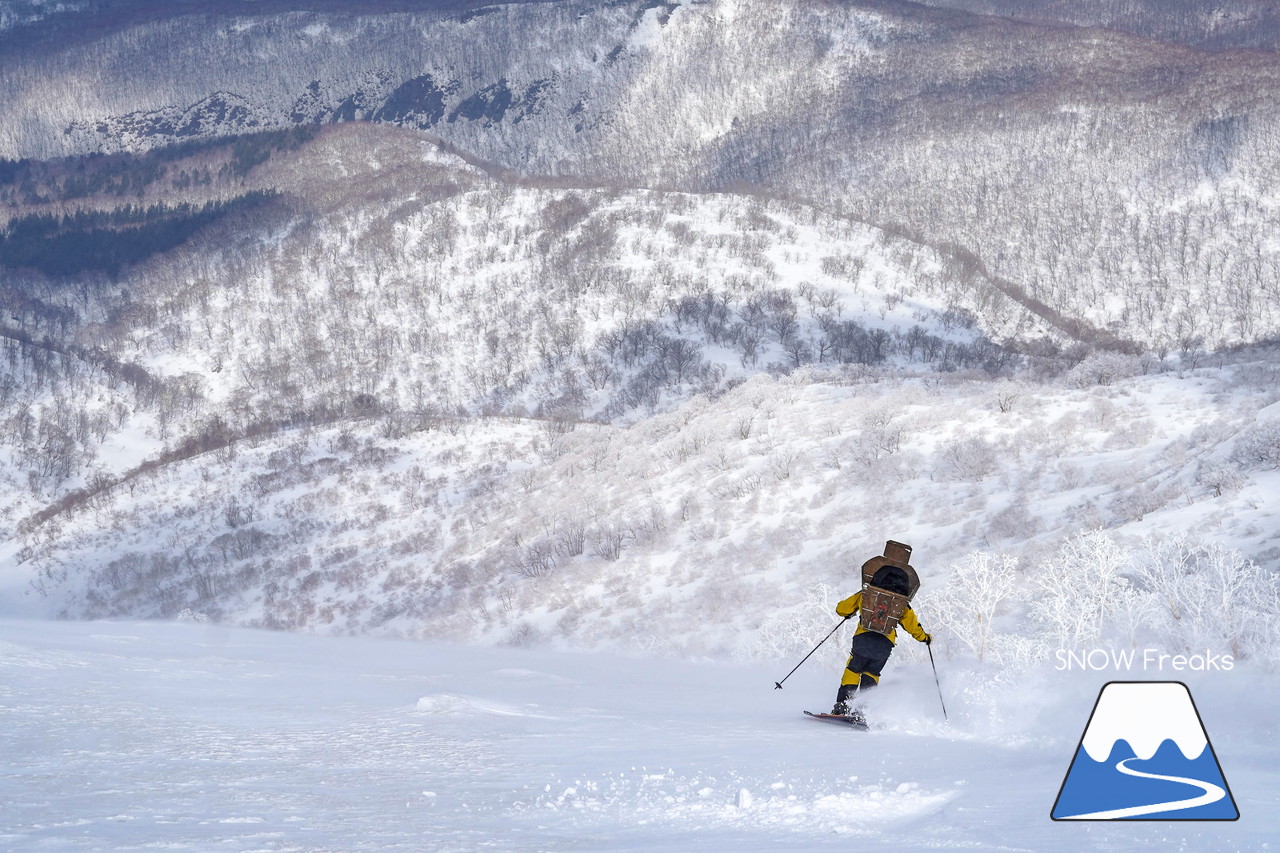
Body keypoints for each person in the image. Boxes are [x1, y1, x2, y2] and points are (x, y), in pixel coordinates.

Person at [830, 577, 932, 717]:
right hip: (884, 644)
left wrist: (854, 610)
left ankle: (843, 706)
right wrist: (925, 638)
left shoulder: (867, 594)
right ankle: (863, 709)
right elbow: (913, 626)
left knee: (853, 670)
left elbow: (841, 609)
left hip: (863, 638)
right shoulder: (902, 603)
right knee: (872, 673)